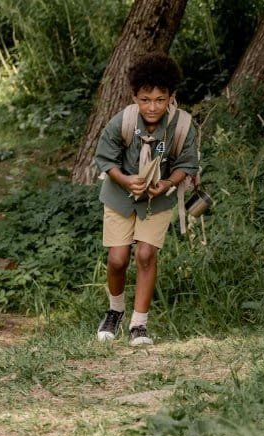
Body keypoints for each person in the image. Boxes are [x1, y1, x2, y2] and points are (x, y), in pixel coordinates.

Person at [93, 52, 199, 346]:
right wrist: (126, 179)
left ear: (171, 97)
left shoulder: (182, 125)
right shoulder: (122, 121)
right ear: (134, 97)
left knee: (145, 255)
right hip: (120, 194)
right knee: (117, 259)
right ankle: (115, 312)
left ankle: (139, 324)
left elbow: (187, 164)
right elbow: (104, 159)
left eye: (160, 100)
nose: (152, 107)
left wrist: (166, 182)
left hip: (158, 198)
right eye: (145, 99)